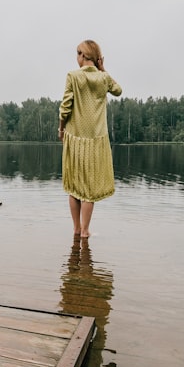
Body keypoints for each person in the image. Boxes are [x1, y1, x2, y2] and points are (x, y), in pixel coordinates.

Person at [58, 39, 122, 238]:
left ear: (83, 56)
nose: (76, 58)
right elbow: (118, 91)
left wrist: (60, 129)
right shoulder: (103, 79)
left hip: (75, 137)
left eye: (78, 54)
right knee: (89, 188)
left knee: (74, 186)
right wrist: (103, 69)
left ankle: (76, 229)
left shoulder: (73, 76)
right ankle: (85, 231)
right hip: (96, 139)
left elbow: (65, 107)